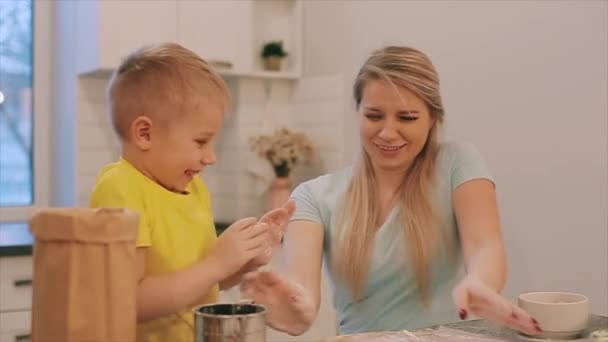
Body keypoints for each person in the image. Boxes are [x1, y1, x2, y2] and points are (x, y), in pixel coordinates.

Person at [240, 46, 542, 337]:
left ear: (432, 119)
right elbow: (301, 295)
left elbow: (485, 246)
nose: (387, 132)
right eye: (374, 116)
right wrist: (294, 310)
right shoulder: (312, 196)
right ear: (358, 112)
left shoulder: (457, 163)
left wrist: (479, 284)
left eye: (407, 118)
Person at [89, 42, 295, 342]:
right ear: (145, 134)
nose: (211, 157)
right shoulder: (120, 189)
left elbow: (205, 281)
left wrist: (241, 261)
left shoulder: (194, 189)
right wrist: (218, 263)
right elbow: (128, 302)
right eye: (201, 142)